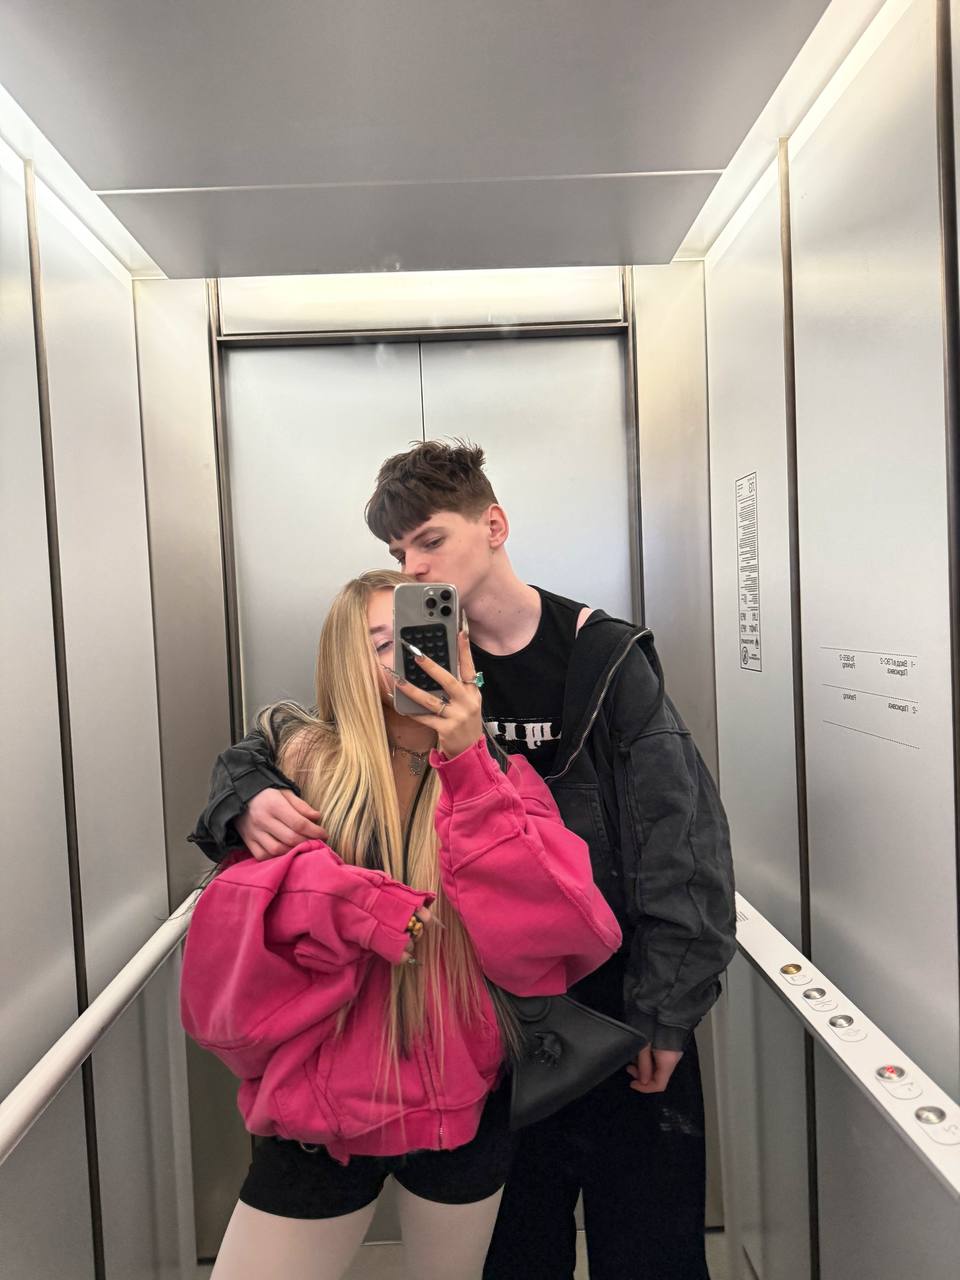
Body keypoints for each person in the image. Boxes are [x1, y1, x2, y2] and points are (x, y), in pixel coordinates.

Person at [191, 443, 737, 1280]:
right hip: (479, 1025)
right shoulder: (412, 667)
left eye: (430, 541)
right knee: (515, 1253)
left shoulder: (600, 657)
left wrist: (667, 1008)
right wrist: (242, 794)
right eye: (397, 551)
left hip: (610, 995)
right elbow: (299, 746)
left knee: (647, 1241)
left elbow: (681, 836)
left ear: (494, 525)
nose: (414, 567)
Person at [181, 568, 622, 1280]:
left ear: (461, 647)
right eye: (383, 644)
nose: (410, 657)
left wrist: (469, 764)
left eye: (425, 635)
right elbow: (238, 931)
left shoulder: (502, 778)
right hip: (322, 1114)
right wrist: (350, 899)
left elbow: (550, 936)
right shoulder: (295, 769)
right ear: (347, 664)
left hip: (463, 1105)